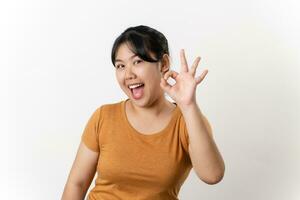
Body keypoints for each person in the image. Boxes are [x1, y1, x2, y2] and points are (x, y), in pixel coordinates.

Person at [61, 25, 225, 200]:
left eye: (137, 62)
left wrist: (188, 105)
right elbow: (76, 183)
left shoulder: (187, 122)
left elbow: (212, 175)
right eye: (120, 66)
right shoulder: (104, 117)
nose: (128, 74)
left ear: (164, 64)